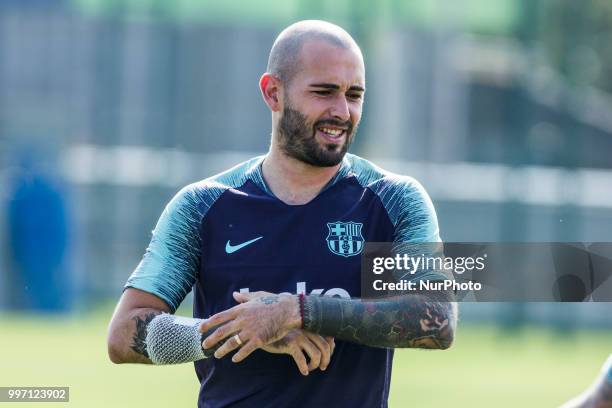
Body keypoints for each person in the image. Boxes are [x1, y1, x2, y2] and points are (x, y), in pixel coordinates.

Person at [107, 20, 457, 408]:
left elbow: (436, 318)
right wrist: (247, 330)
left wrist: (296, 312)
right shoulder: (204, 205)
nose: (341, 111)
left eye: (354, 95)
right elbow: (124, 335)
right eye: (324, 92)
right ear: (273, 93)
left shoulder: (392, 200)